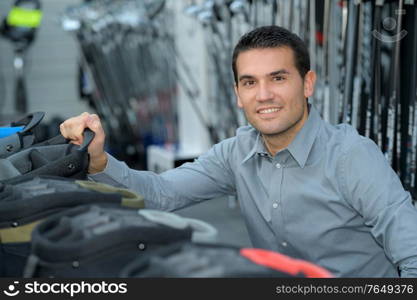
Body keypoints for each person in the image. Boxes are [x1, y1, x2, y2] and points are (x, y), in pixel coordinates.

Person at [60, 25, 417, 277]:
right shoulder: (236, 153)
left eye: (278, 78)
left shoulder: (351, 156)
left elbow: (412, 255)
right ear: (237, 93)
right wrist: (99, 159)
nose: (263, 95)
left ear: (307, 84)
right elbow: (160, 194)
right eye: (250, 82)